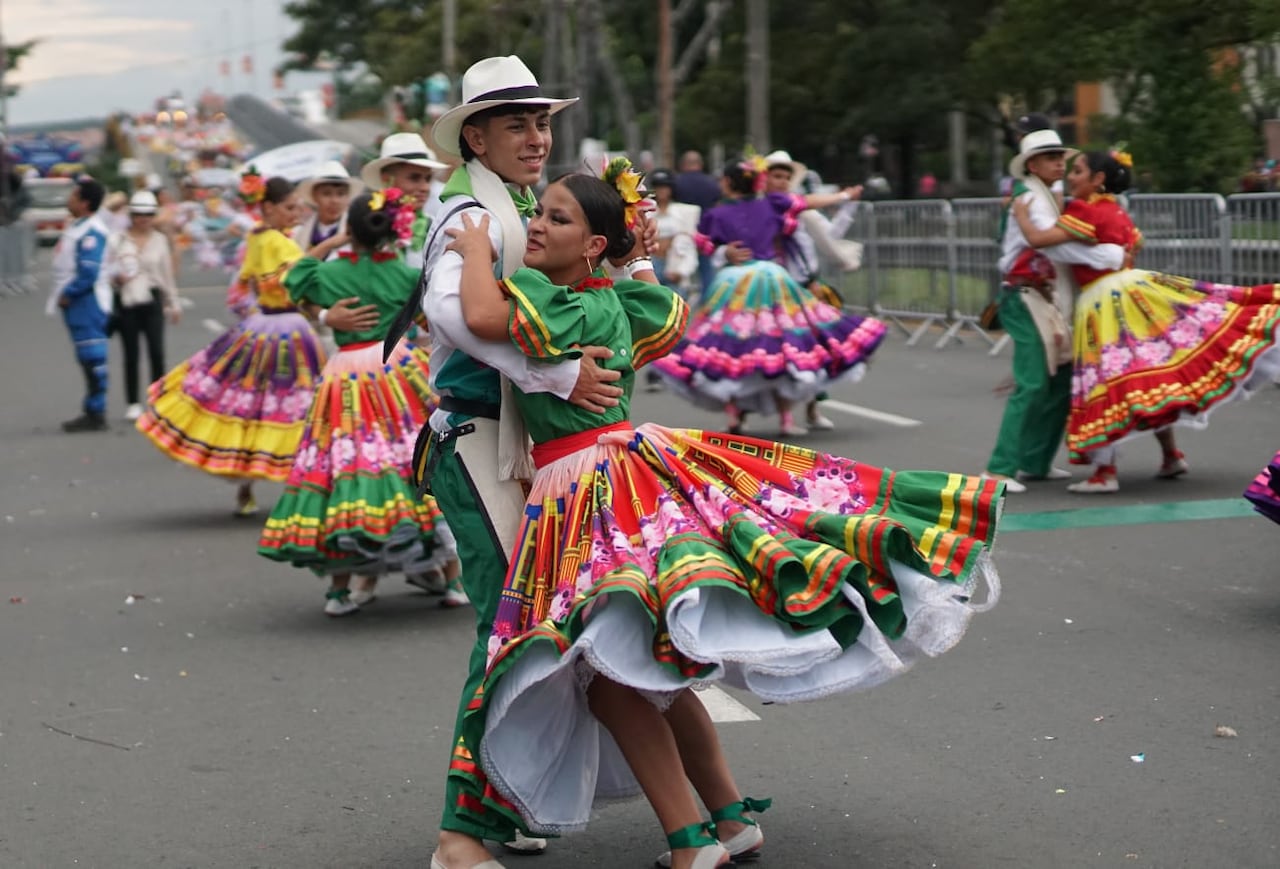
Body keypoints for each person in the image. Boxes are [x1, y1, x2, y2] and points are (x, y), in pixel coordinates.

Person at [444, 166, 1003, 869]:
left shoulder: (544, 295)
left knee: (610, 681)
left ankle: (689, 841)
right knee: (650, 669)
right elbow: (663, 312)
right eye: (541, 213)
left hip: (585, 485)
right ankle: (730, 817)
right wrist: (634, 255)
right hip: (627, 468)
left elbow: (482, 318)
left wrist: (470, 253)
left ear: (590, 247)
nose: (536, 226)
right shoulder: (614, 300)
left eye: (556, 218)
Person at [384, 55, 627, 869]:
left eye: (542, 121)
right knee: (507, 626)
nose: (535, 136)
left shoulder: (522, 204)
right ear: (475, 137)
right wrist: (558, 375)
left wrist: (622, 257)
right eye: (517, 124)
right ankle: (459, 831)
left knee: (543, 626)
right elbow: (459, 319)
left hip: (524, 444)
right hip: (479, 441)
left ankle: (504, 801)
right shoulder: (460, 209)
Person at [1014, 150, 1280, 492]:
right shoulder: (1115, 209)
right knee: (1149, 375)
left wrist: (1022, 213)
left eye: (1078, 171)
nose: (1072, 177)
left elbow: (1037, 240)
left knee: (1109, 381)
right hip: (1134, 288)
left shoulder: (1084, 209)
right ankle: (1170, 456)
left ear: (1098, 179)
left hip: (1104, 300)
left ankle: (1104, 472)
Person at [258, 190, 463, 615]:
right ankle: (451, 579)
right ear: (394, 230)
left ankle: (340, 590)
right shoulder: (407, 276)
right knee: (415, 460)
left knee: (346, 467)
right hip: (397, 366)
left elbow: (294, 275)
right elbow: (430, 322)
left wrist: (334, 244)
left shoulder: (330, 276)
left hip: (345, 374)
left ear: (352, 229)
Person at [137, 173, 337, 514]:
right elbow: (299, 275)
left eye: (297, 207)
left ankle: (248, 487)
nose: (295, 213)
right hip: (289, 330)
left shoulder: (257, 236)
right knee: (298, 407)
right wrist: (331, 247)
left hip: (261, 325)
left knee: (251, 407)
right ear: (268, 207)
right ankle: (305, 487)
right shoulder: (277, 240)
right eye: (289, 207)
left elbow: (241, 289)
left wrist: (252, 314)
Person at [653, 156, 886, 437]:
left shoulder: (716, 214)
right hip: (773, 279)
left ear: (727, 182)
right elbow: (807, 202)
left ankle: (734, 416)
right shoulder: (772, 204)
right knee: (783, 345)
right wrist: (844, 195)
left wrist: (724, 252)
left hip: (734, 284)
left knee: (730, 349)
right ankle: (786, 417)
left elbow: (701, 244)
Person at [982, 130, 1128, 493]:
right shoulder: (1032, 197)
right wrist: (1109, 256)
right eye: (1051, 157)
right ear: (1033, 164)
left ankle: (1035, 460)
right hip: (1025, 296)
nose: (1060, 163)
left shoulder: (1044, 195)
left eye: (1062, 157)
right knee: (1032, 382)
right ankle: (999, 470)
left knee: (1062, 380)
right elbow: (1053, 247)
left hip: (1045, 298)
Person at [763, 149, 865, 430]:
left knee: (817, 350)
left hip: (806, 288)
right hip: (777, 291)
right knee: (780, 354)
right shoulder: (761, 209)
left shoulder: (801, 211)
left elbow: (831, 236)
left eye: (786, 176)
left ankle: (812, 408)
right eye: (776, 176)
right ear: (765, 179)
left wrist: (850, 205)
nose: (782, 181)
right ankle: (782, 415)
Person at [104, 190, 181, 422]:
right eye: (139, 214)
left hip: (152, 298)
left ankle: (157, 399)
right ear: (131, 215)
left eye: (148, 214)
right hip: (127, 299)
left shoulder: (159, 240)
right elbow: (105, 270)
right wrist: (115, 279)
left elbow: (167, 275)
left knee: (157, 351)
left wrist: (173, 303)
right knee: (131, 353)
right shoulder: (117, 239)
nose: (143, 218)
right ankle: (132, 402)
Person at [46, 176, 112, 432]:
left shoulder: (92, 231)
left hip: (87, 302)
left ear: (85, 203)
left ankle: (96, 411)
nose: (68, 199)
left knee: (93, 356)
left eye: (73, 196)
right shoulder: (78, 226)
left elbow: (89, 271)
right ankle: (93, 408)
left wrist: (69, 293)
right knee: (85, 356)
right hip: (77, 303)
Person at [360, 132, 449, 270]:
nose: (425, 187)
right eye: (414, 178)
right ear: (386, 179)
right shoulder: (364, 225)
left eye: (427, 179)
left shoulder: (434, 228)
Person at [673, 150, 721, 292]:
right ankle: (708, 304)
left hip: (681, 235)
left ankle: (681, 305)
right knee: (707, 274)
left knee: (681, 272)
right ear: (700, 164)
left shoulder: (676, 183)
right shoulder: (712, 183)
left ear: (682, 165)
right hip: (706, 235)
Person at [295, 160, 362, 260]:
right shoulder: (298, 232)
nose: (334, 201)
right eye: (326, 194)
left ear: (348, 197)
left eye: (341, 194)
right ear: (314, 196)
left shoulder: (358, 231)